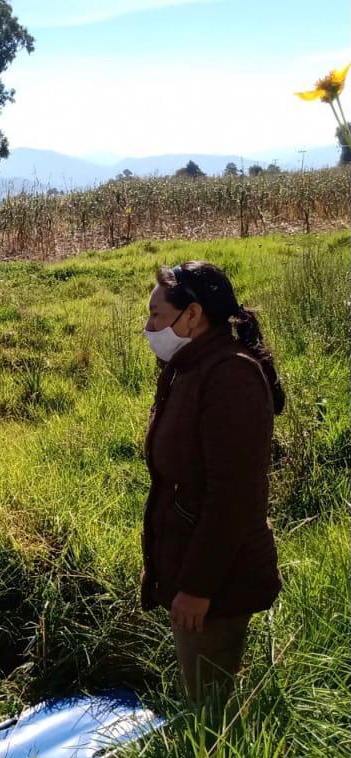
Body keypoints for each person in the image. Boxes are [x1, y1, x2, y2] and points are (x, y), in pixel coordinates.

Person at [141, 262, 285, 703]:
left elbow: (234, 498)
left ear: (193, 315)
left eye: (157, 316)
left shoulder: (230, 377)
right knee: (204, 695)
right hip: (191, 564)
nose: (148, 328)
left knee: (210, 711)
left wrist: (198, 587)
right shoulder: (189, 366)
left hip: (218, 580)